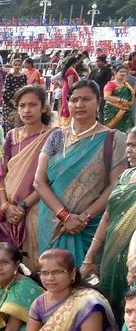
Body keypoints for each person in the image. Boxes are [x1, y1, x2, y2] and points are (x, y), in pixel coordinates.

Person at [34, 80, 127, 266]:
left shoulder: (114, 139)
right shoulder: (56, 136)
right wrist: (65, 217)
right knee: (52, 274)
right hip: (53, 222)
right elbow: (39, 181)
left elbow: (115, 185)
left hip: (91, 226)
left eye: (86, 99)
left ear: (98, 102)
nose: (79, 104)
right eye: (74, 100)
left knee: (86, 276)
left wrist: (84, 218)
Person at [0, 85, 54, 261]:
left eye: (32, 105)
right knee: (6, 261)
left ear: (43, 107)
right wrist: (5, 206)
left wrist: (23, 206)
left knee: (36, 262)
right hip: (8, 209)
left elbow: (51, 179)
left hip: (37, 207)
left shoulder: (53, 135)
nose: (27, 110)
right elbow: (2, 174)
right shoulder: (11, 136)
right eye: (22, 105)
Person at [83, 129, 136, 318]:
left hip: (133, 258)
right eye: (128, 145)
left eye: (135, 146)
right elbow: (107, 216)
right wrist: (90, 257)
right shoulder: (125, 176)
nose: (129, 150)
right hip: (111, 255)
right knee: (111, 305)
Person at [103, 64, 134, 131]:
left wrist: (130, 103)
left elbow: (131, 96)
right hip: (113, 112)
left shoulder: (126, 85)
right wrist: (121, 100)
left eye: (124, 72)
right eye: (120, 71)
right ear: (115, 73)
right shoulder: (111, 84)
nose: (123, 73)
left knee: (127, 131)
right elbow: (106, 97)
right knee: (111, 131)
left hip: (126, 112)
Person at [1, 58, 29, 131]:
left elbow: (25, 90)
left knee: (20, 123)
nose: (17, 66)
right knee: (9, 123)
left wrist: (20, 102)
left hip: (20, 103)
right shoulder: (9, 76)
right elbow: (6, 90)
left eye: (19, 65)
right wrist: (12, 101)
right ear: (12, 66)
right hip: (9, 102)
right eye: (15, 65)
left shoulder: (23, 76)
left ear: (21, 66)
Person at [60, 54, 84, 126]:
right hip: (69, 91)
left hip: (67, 90)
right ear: (74, 62)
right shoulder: (70, 70)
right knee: (68, 108)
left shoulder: (69, 69)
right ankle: (67, 125)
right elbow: (70, 84)